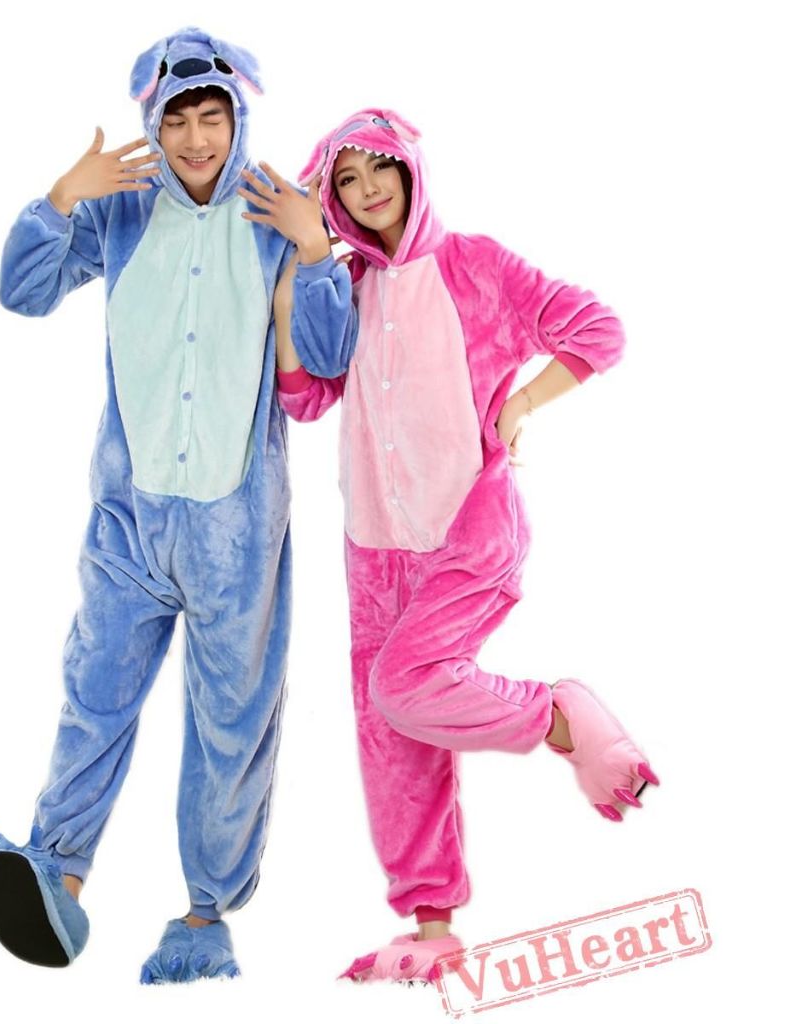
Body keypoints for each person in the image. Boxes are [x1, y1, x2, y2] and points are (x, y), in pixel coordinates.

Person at [237, 108, 661, 983]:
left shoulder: (474, 264)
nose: (366, 190)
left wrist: (524, 402)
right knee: (391, 735)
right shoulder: (345, 284)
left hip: (467, 529)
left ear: (409, 170)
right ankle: (433, 931)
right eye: (346, 180)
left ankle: (556, 714)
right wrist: (290, 284)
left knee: (405, 686)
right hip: (373, 546)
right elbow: (307, 399)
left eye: (378, 170)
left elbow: (597, 330)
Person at [0, 27, 300, 984]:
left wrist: (315, 249)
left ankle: (205, 914)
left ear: (237, 119)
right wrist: (62, 197)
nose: (196, 139)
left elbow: (323, 358)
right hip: (129, 522)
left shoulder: (273, 216)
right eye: (177, 120)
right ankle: (56, 874)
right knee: (94, 693)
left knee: (232, 723)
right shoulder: (121, 209)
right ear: (154, 123)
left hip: (237, 530)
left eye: (212, 118)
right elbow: (23, 293)